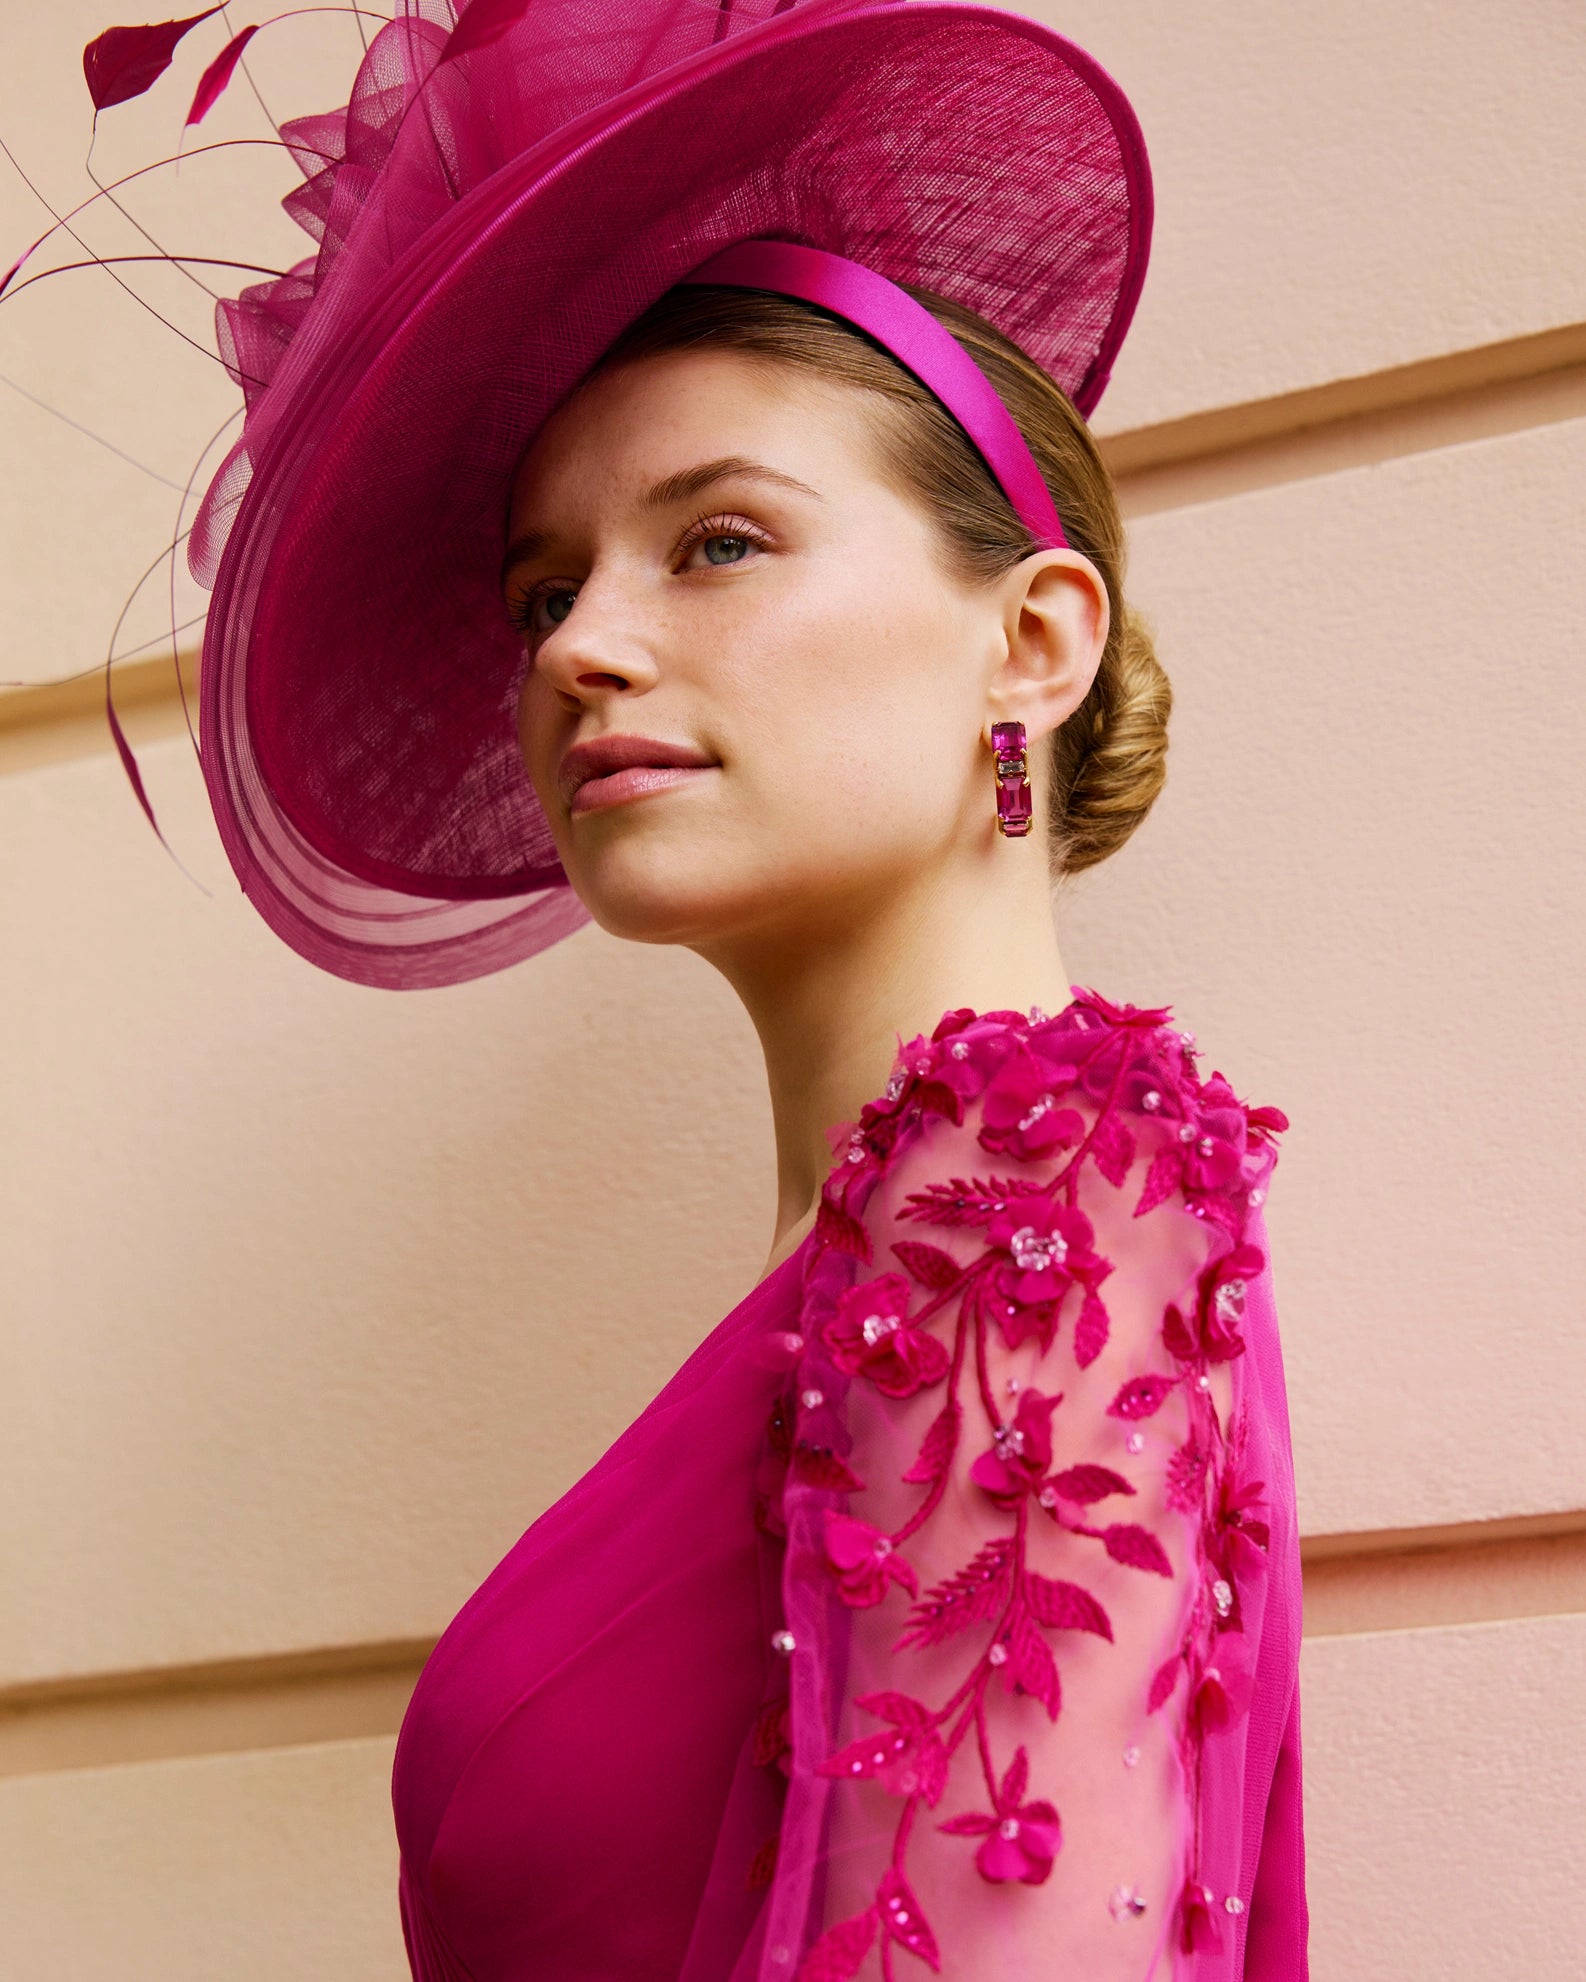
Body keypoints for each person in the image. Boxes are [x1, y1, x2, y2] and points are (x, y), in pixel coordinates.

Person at [40, 0, 1308, 1973]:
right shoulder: (895, 1249)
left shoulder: (1027, 1199)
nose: (579, 648)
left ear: (1032, 643)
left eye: (716, 542)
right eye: (546, 590)